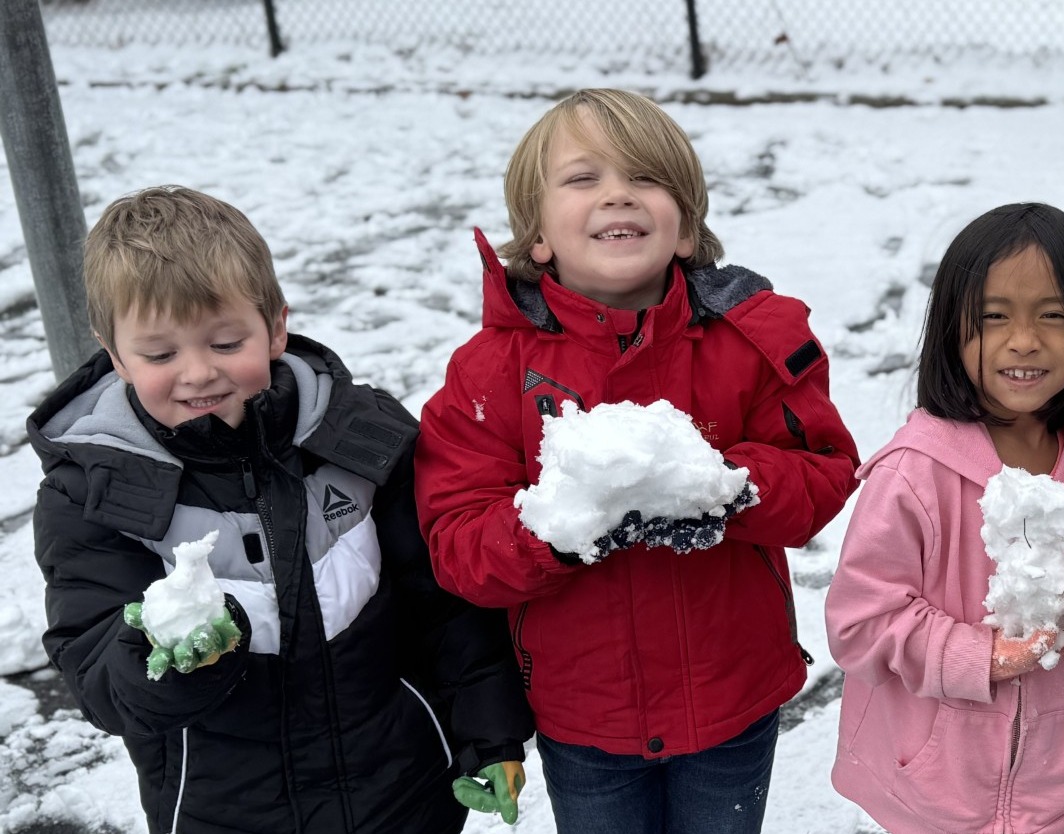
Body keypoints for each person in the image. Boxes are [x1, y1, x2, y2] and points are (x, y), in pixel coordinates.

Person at [414, 88, 860, 834]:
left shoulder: (750, 342)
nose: (617, 194)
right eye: (583, 179)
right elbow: (457, 541)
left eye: (645, 179)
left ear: (685, 230)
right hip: (585, 713)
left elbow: (820, 471)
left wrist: (726, 488)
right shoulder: (492, 372)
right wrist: (555, 528)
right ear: (539, 238)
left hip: (730, 696)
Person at [29, 185, 533, 834]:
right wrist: (164, 654)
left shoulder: (360, 440)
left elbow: (444, 606)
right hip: (226, 810)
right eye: (160, 354)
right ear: (115, 352)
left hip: (401, 792)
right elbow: (96, 670)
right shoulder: (93, 491)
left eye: (225, 341)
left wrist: (489, 733)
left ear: (274, 326)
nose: (197, 373)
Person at [826, 203, 1064, 834]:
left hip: (1062, 788)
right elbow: (860, 623)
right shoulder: (914, 474)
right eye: (994, 317)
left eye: (1054, 315)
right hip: (934, 794)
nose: (1024, 340)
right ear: (952, 329)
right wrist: (981, 656)